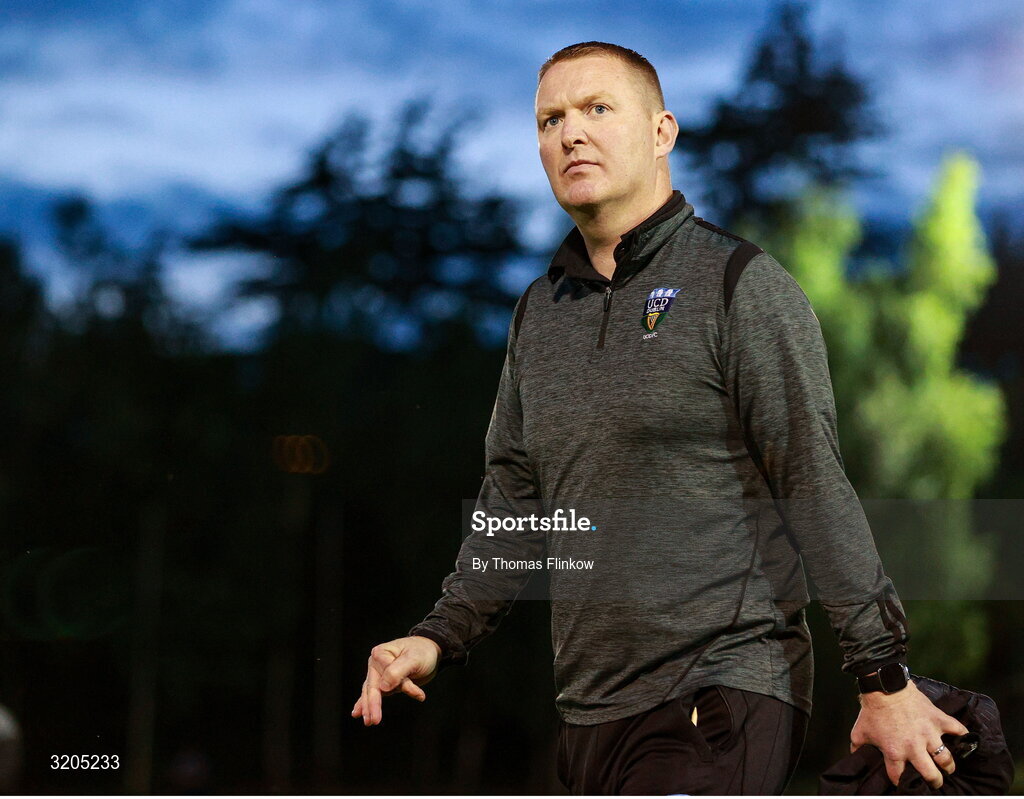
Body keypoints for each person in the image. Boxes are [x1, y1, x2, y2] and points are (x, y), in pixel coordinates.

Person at [352, 41, 969, 794]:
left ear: (661, 132)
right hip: (589, 712)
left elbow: (811, 480)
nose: (570, 133)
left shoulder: (742, 285)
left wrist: (881, 673)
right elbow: (515, 504)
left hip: (723, 690)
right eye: (550, 119)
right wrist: (436, 634)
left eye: (596, 109)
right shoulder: (538, 315)